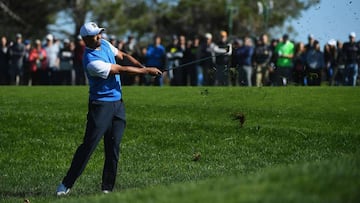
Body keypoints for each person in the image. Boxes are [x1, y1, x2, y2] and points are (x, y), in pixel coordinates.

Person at [56, 22, 162, 196]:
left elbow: (122, 56)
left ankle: (107, 188)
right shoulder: (90, 60)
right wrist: (145, 72)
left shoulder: (104, 43)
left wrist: (143, 68)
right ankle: (66, 184)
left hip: (118, 104)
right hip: (100, 106)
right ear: (85, 40)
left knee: (113, 147)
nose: (99, 37)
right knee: (89, 146)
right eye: (95, 35)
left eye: (99, 33)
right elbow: (120, 69)